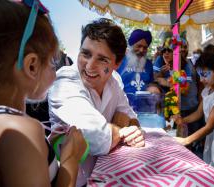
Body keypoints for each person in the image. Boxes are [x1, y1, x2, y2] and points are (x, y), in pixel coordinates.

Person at [0, 0, 86, 186]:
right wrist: (71, 158)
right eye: (53, 63)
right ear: (32, 66)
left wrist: (44, 148)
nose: (56, 73)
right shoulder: (19, 131)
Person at [48, 18, 145, 186]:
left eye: (102, 59)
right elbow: (95, 134)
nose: (90, 66)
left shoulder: (114, 81)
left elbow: (130, 116)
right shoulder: (65, 79)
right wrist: (121, 130)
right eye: (86, 54)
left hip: (109, 179)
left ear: (117, 63)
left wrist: (132, 127)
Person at [173, 52, 214, 172]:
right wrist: (182, 120)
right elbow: (199, 113)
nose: (201, 79)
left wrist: (186, 140)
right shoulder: (207, 91)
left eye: (204, 74)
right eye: (199, 74)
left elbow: (209, 126)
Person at [117, 29, 154, 104]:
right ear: (131, 45)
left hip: (144, 106)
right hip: (122, 105)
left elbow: (151, 83)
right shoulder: (119, 60)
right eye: (139, 46)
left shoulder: (149, 64)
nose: (141, 50)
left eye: (145, 47)